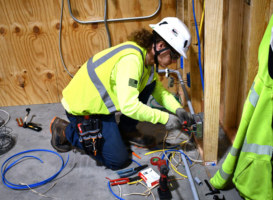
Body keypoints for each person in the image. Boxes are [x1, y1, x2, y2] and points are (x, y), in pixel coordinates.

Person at [50, 17, 194, 170]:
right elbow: (129, 107)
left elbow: (159, 91)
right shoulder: (131, 61)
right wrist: (165, 118)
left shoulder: (148, 60)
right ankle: (64, 130)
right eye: (174, 55)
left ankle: (127, 130)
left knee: (149, 86)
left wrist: (177, 109)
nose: (174, 61)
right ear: (161, 45)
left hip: (102, 108)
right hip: (84, 108)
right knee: (118, 161)